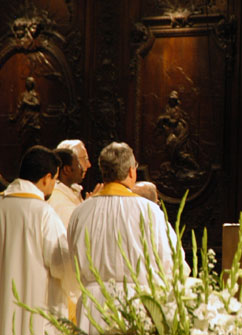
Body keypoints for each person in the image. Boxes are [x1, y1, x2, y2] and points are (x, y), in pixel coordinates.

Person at [68, 142, 183, 334]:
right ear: (132, 172)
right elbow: (170, 261)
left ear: (103, 172)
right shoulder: (150, 211)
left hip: (93, 307)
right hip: (136, 304)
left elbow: (73, 258)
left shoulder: (81, 211)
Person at [0, 146, 77, 335]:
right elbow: (62, 265)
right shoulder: (44, 213)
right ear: (46, 178)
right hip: (36, 313)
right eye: (55, 180)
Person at [48, 148, 85, 229]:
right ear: (67, 170)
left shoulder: (70, 191)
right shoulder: (58, 199)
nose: (82, 169)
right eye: (78, 165)